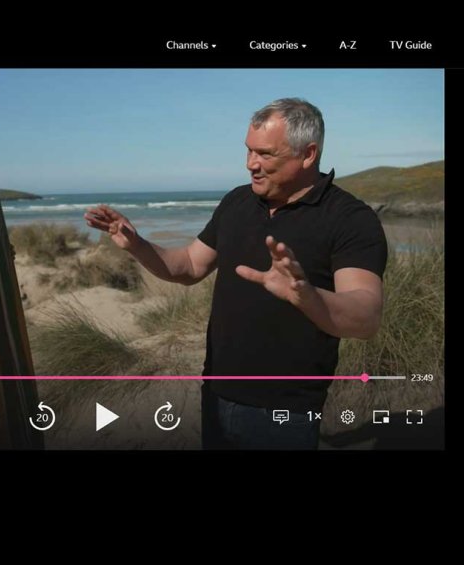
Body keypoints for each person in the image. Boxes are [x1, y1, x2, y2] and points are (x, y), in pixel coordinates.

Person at [85, 98, 387, 450]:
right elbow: (188, 266)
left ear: (308, 154)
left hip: (287, 410)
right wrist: (137, 244)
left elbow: (366, 316)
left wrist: (307, 295)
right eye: (248, 151)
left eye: (265, 154)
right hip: (216, 392)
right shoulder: (237, 202)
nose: (250, 165)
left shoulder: (351, 219)